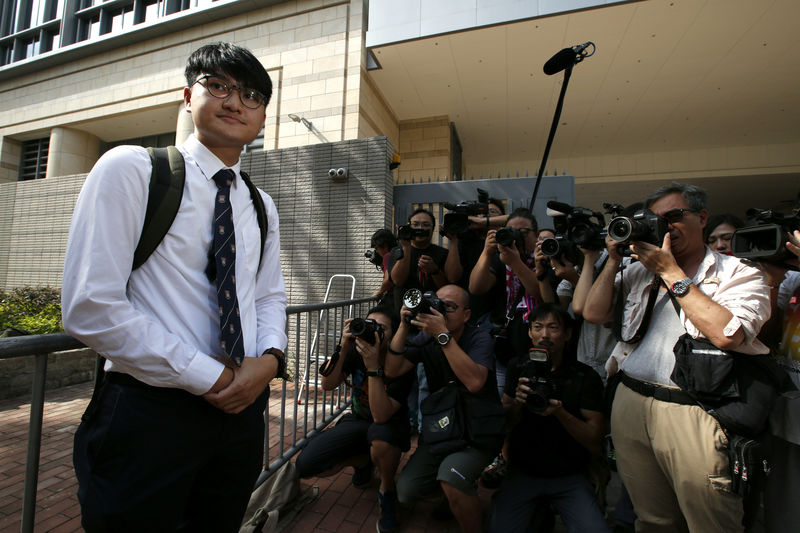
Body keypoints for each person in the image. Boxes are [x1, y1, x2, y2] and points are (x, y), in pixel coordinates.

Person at [62, 43, 287, 533]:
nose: (234, 102)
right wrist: (210, 377)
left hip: (241, 414)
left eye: (250, 94)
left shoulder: (261, 204)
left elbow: (268, 295)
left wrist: (269, 361)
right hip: (148, 411)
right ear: (189, 96)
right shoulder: (134, 169)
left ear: (263, 115)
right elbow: (89, 305)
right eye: (219, 86)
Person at [583, 182, 771, 532]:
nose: (664, 226)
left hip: (695, 412)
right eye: (654, 220)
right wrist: (612, 260)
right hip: (631, 401)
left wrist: (671, 272)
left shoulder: (739, 273)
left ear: (702, 218)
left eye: (673, 216)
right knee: (653, 521)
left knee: (711, 521)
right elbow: (593, 313)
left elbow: (727, 334)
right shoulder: (638, 269)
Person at [385, 284, 501, 533]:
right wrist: (404, 326)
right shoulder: (426, 339)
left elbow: (475, 382)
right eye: (437, 303)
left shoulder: (479, 338)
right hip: (445, 428)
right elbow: (392, 370)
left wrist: (443, 336)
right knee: (406, 491)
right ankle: (452, 496)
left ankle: (463, 503)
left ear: (466, 315)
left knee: (452, 479)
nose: (441, 310)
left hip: (477, 432)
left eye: (449, 306)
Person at [487, 304, 609, 533]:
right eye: (538, 327)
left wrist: (560, 412)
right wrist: (517, 404)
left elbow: (595, 440)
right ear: (530, 333)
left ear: (567, 334)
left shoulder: (584, 376)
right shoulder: (518, 367)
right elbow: (504, 427)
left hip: (569, 475)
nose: (545, 335)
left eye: (553, 327)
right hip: (524, 472)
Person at [294, 306, 412, 533]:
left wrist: (372, 367)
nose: (373, 332)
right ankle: (361, 461)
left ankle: (387, 490)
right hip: (358, 420)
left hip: (389, 424)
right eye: (369, 325)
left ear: (394, 334)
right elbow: (327, 385)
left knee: (381, 440)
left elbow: (381, 416)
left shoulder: (401, 363)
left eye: (381, 328)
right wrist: (343, 346)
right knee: (306, 464)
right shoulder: (356, 351)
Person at [387, 208, 449, 312]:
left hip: (433, 311)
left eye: (425, 225)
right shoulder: (397, 251)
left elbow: (445, 287)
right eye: (415, 225)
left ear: (433, 229)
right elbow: (398, 281)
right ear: (409, 227)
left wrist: (434, 270)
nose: (420, 228)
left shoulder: (442, 253)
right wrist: (406, 247)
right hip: (403, 310)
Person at [369, 228, 398, 302]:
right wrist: (382, 265)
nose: (377, 251)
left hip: (395, 297)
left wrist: (379, 292)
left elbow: (389, 280)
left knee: (373, 313)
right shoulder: (397, 253)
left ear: (384, 245)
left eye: (376, 248)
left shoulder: (388, 256)